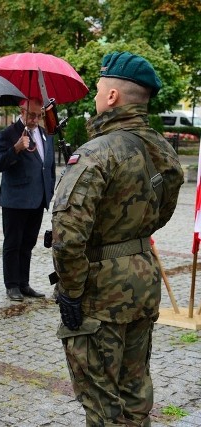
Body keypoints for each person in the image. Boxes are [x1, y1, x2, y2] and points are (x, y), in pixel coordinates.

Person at [52, 51, 184, 425]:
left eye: (98, 90)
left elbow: (67, 237)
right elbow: (162, 212)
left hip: (101, 292)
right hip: (142, 278)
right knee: (134, 388)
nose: (95, 98)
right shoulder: (162, 148)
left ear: (112, 97)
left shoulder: (96, 153)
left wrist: (71, 292)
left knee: (101, 397)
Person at [0, 97, 55, 301]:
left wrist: (49, 190)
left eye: (39, 115)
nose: (35, 119)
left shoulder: (45, 134)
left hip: (38, 198)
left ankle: (23, 282)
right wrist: (16, 148)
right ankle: (11, 285)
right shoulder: (7, 134)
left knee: (28, 242)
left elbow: (48, 165)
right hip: (16, 199)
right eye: (31, 115)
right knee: (13, 243)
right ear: (21, 111)